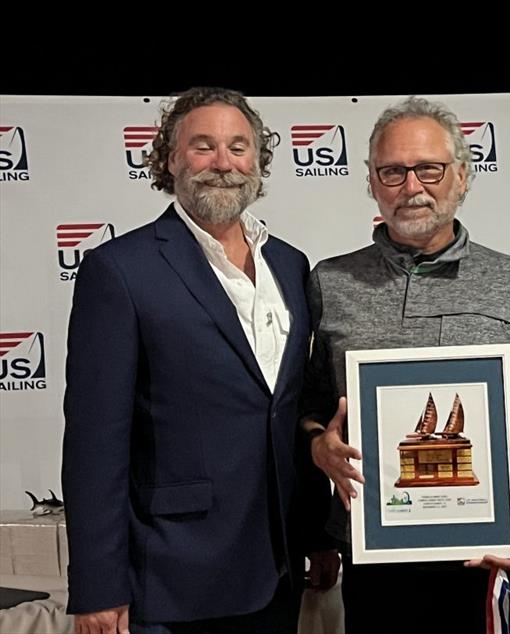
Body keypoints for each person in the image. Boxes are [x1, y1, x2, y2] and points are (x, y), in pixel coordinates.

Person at [62, 86, 338, 634]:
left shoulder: (290, 263)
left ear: (258, 161)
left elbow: (284, 412)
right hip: (170, 578)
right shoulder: (119, 270)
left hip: (278, 570)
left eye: (239, 147)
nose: (223, 163)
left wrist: (316, 535)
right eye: (202, 146)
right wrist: (98, 584)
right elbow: (95, 443)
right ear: (169, 158)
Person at [300, 96, 510, 633]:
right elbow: (311, 404)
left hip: (489, 553)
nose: (411, 187)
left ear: (462, 177)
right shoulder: (330, 282)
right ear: (371, 182)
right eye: (392, 171)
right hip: (375, 553)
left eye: (429, 169)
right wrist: (319, 443)